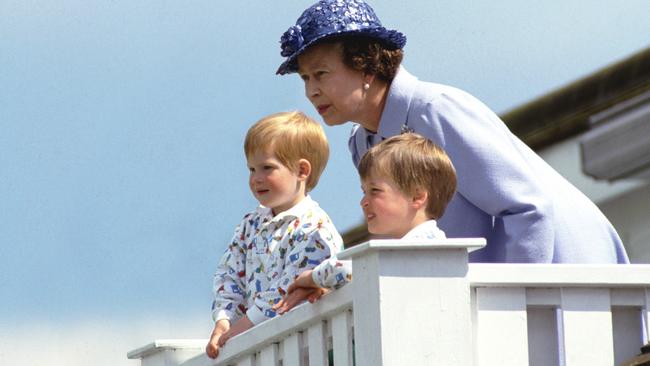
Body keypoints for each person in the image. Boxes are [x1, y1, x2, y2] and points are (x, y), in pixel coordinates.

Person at [275, 0, 629, 264]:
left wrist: (510, 309)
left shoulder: (435, 109)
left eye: (320, 74)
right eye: (305, 78)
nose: (311, 91)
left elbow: (527, 207)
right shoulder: (362, 142)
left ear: (365, 66)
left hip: (572, 277)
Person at [205, 111, 343, 359]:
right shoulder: (251, 224)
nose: (256, 179)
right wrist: (225, 319)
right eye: (251, 169)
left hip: (304, 348)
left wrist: (245, 325)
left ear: (302, 170)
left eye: (267, 168)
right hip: (259, 349)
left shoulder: (315, 228)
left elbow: (291, 285)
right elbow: (229, 272)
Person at [273, 132, 456, 313]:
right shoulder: (412, 246)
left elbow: (348, 269)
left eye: (375, 191)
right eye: (364, 192)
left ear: (417, 197)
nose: (363, 202)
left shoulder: (424, 245)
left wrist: (310, 278)